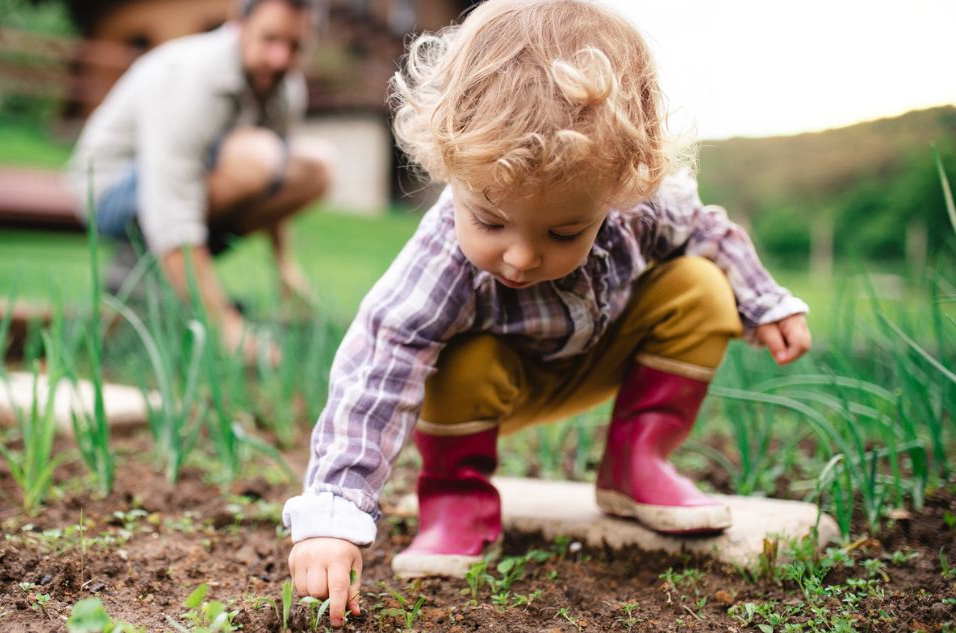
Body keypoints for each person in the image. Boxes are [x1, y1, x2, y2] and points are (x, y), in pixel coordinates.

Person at [281, 0, 812, 627]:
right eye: (489, 220)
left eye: (564, 230)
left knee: (700, 284)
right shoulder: (440, 259)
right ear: (451, 169)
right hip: (491, 390)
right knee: (454, 355)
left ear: (617, 189)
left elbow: (710, 232)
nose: (521, 255)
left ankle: (637, 462)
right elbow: (378, 365)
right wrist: (334, 514)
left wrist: (764, 301)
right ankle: (456, 497)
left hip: (599, 355)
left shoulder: (638, 206)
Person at [66, 0, 330, 361]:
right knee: (257, 156)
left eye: (295, 46)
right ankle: (142, 272)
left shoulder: (285, 86)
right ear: (238, 25)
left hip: (186, 184)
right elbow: (171, 201)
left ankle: (163, 279)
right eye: (269, 39)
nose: (279, 59)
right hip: (111, 190)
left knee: (314, 169)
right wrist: (226, 325)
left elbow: (278, 181)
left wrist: (285, 268)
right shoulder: (194, 76)